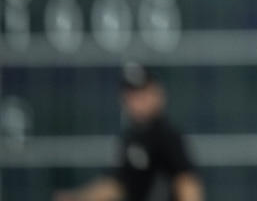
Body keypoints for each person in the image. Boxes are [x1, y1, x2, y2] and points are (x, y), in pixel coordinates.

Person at [53, 62, 204, 201]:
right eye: (131, 95)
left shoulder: (167, 135)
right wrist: (77, 198)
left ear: (157, 94)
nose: (137, 101)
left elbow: (187, 183)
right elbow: (117, 185)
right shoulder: (132, 137)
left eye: (142, 93)